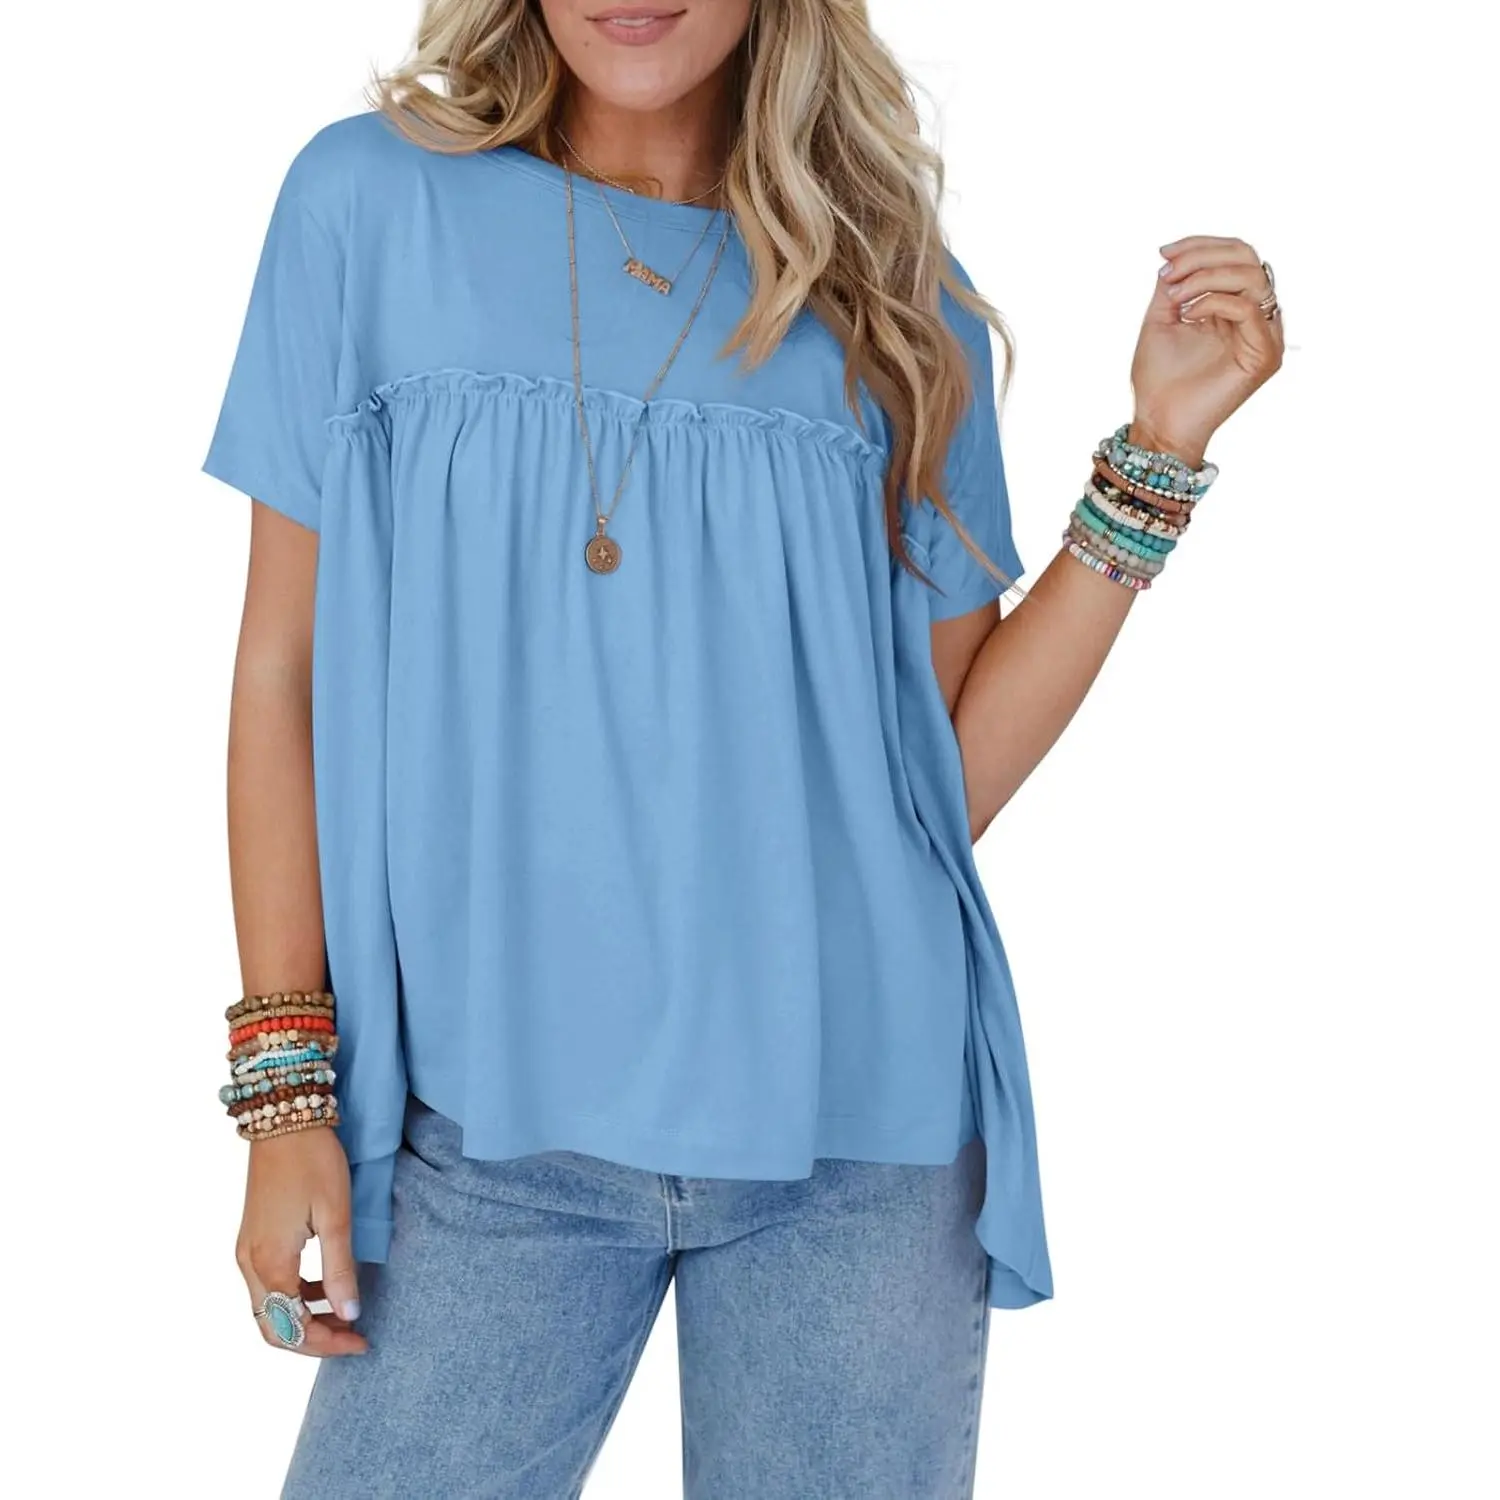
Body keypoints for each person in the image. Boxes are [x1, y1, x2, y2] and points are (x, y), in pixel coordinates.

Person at [203, 1, 1283, 1494]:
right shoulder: (369, 202)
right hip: (485, 1134)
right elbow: (281, 671)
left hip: (857, 1139)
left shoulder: (898, 299)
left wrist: (1158, 448)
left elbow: (931, 781)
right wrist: (286, 1096)